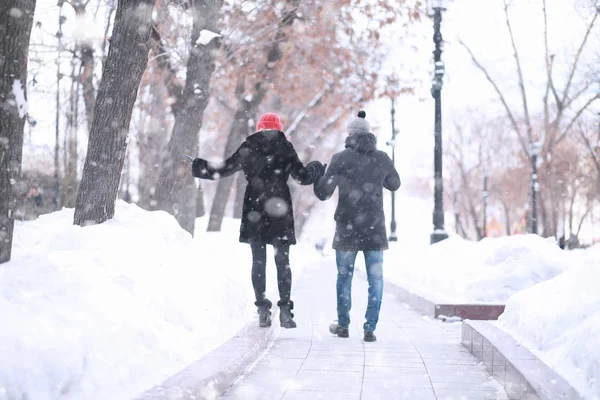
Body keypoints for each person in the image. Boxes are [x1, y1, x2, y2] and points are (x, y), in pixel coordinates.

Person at [190, 113, 325, 329]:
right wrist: (316, 168)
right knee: (283, 262)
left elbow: (224, 169)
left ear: (260, 128)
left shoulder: (249, 146)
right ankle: (285, 311)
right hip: (279, 208)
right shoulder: (285, 147)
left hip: (255, 207)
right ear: (279, 128)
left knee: (258, 261)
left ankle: (263, 309)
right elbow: (302, 177)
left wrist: (199, 166)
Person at [314, 111, 400, 342]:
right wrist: (379, 174)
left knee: (344, 276)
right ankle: (370, 328)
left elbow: (324, 193)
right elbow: (394, 184)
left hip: (347, 227)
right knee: (376, 279)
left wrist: (320, 176)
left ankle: (343, 325)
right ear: (369, 135)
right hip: (374, 227)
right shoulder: (381, 158)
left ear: (350, 134)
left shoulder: (340, 159)